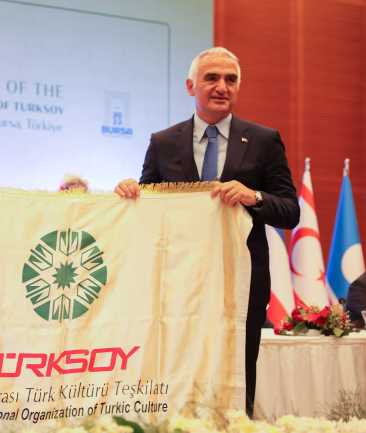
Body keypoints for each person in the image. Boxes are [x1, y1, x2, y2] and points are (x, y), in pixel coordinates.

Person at [115, 47, 300, 417]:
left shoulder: (264, 140)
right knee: (176, 371)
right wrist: (130, 192)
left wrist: (253, 196)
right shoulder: (163, 141)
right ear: (191, 86)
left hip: (242, 282)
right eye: (212, 78)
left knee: (237, 376)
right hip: (177, 283)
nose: (222, 87)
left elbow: (290, 211)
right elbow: (148, 207)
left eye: (231, 79)